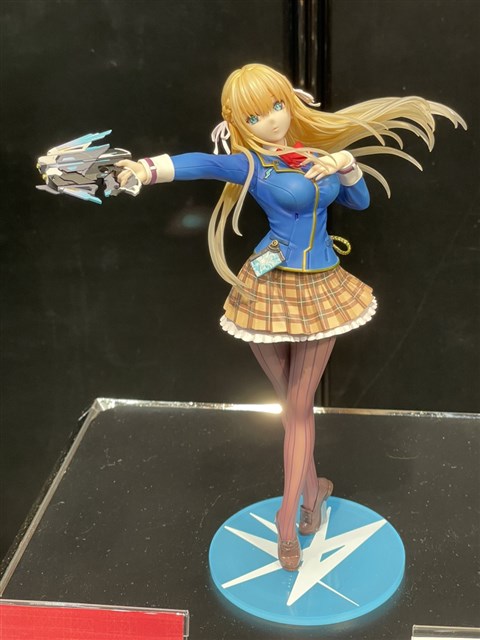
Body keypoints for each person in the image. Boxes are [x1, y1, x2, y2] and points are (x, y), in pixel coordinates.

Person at [116, 63, 465, 571]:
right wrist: (143, 170)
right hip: (268, 282)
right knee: (294, 406)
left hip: (320, 284)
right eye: (255, 116)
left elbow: (360, 200)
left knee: (295, 407)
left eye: (278, 105)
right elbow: (199, 163)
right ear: (237, 122)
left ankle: (305, 500)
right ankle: (296, 510)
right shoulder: (250, 165)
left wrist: (345, 163)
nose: (273, 120)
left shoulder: (314, 155)